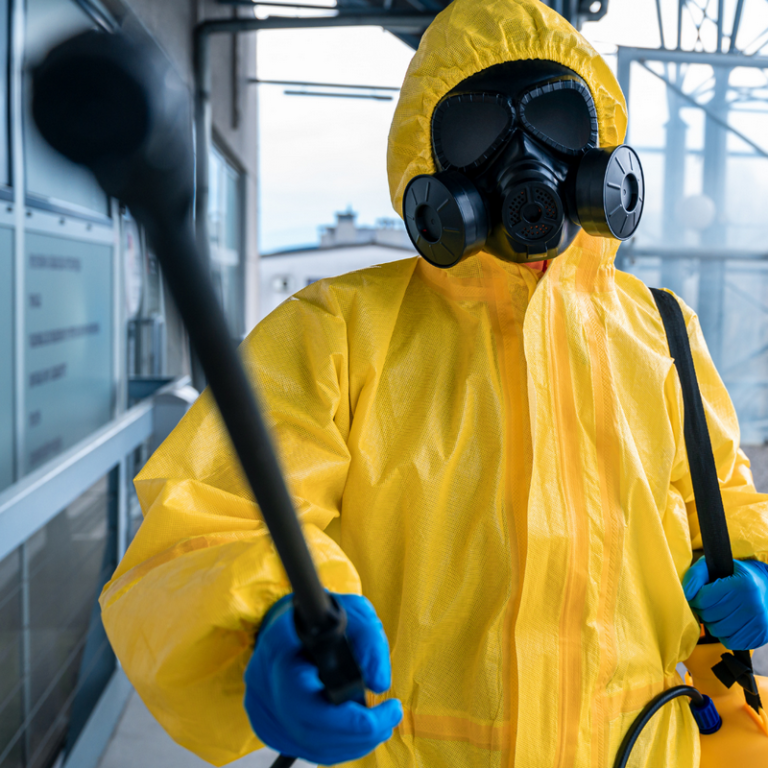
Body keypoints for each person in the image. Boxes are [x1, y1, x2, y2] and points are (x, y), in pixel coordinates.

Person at [99, 0, 768, 766]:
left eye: (555, 119)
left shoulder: (665, 330)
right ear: (430, 167)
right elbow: (207, 517)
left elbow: (724, 490)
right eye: (477, 135)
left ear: (604, 151)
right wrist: (268, 622)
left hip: (645, 747)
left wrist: (753, 566)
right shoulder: (338, 332)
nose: (526, 161)